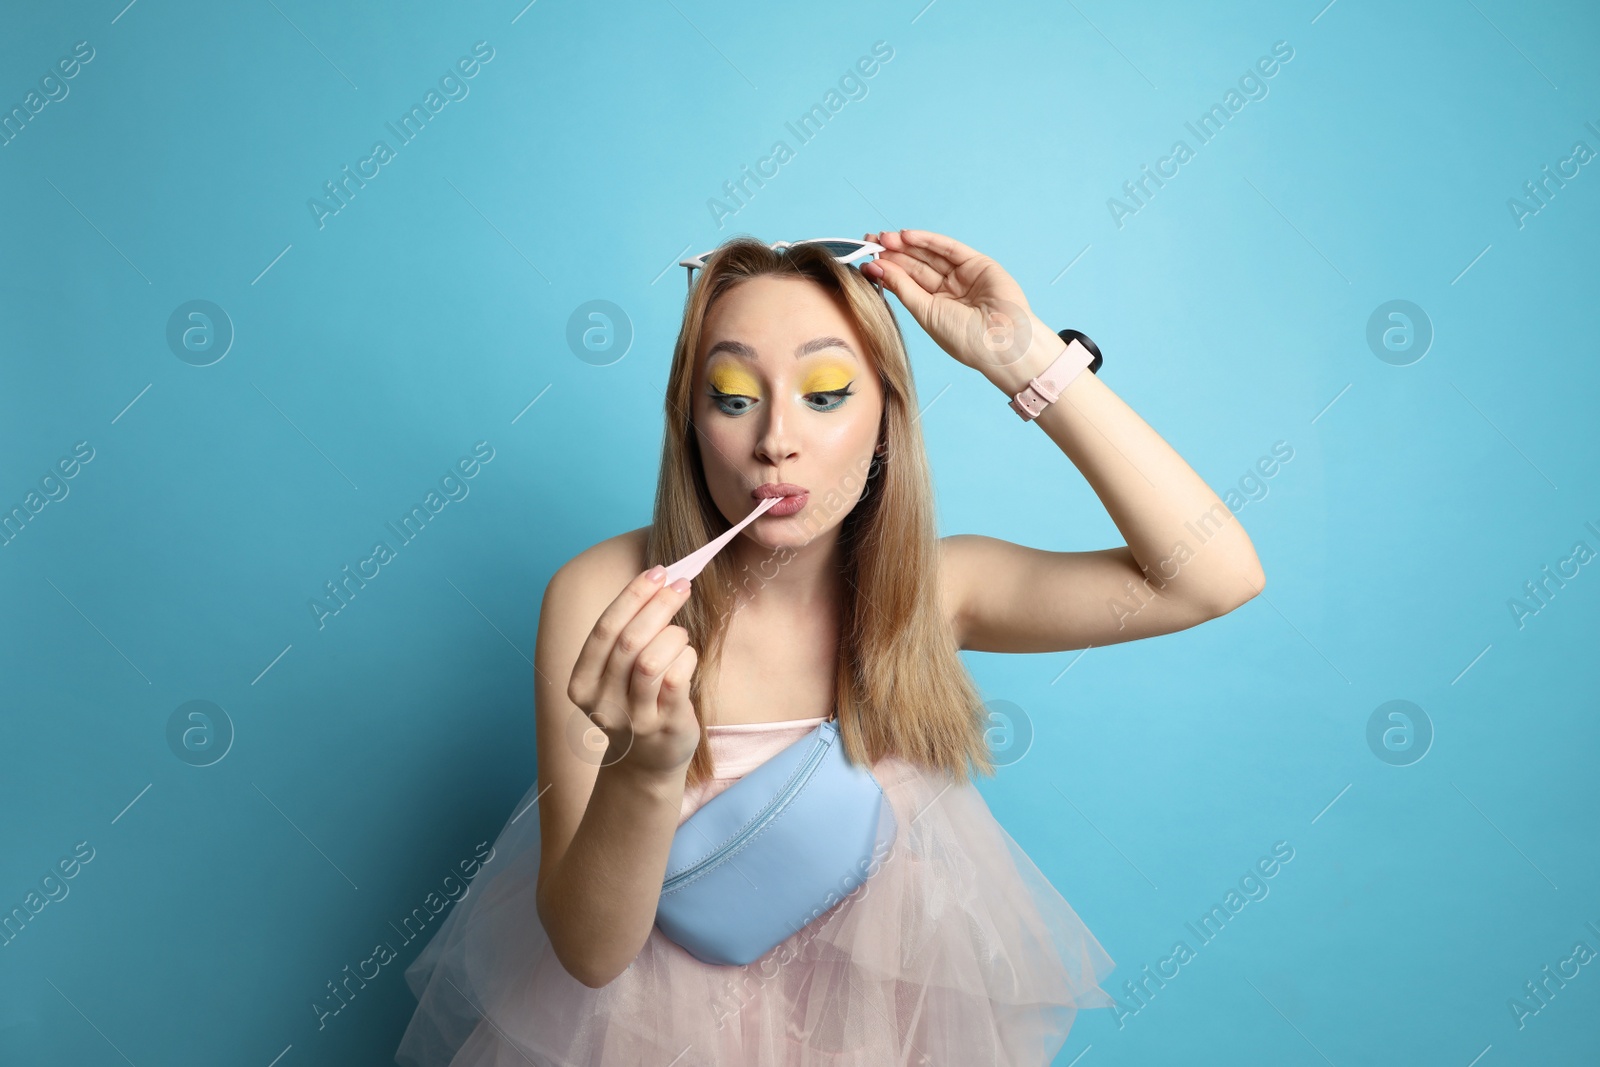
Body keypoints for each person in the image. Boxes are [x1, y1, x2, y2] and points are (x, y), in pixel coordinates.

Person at [394, 230, 1266, 1065]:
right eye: (734, 397)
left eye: (825, 393)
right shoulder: (599, 594)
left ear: (887, 416)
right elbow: (588, 953)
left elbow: (1211, 576)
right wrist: (646, 770)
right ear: (689, 421)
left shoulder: (935, 591)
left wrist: (1025, 356)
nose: (777, 438)